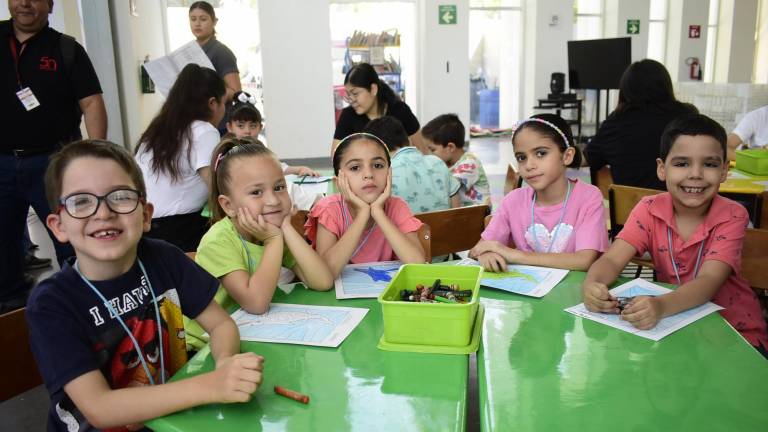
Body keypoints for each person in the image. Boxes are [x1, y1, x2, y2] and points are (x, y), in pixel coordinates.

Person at [27, 140, 264, 431]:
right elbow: (100, 408)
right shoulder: (51, 305)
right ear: (58, 226)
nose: (103, 213)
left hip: (174, 418)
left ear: (146, 215)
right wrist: (211, 385)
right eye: (81, 201)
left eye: (121, 197)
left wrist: (225, 361)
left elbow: (221, 325)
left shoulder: (163, 258)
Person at [582, 113, 768, 358]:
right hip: (676, 327)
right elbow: (612, 259)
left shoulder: (733, 215)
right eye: (682, 163)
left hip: (735, 333)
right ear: (662, 168)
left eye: (710, 164)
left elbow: (708, 281)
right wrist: (592, 285)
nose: (695, 174)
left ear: (724, 170)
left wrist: (660, 306)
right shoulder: (648, 209)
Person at [1, 0, 106, 313]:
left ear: (50, 5)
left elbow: (92, 104)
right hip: (2, 162)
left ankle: (82, 306)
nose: (25, 3)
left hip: (54, 163)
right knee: (3, 248)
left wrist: (93, 159)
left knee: (72, 238)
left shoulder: (65, 48)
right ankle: (12, 316)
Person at [185, 138, 334, 350]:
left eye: (279, 187)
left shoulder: (271, 229)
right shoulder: (218, 241)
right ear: (228, 205)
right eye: (256, 192)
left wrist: (287, 228)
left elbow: (322, 281)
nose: (273, 200)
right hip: (204, 348)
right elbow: (256, 303)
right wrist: (274, 240)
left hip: (253, 334)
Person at [470, 114, 608, 272]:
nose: (529, 165)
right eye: (521, 157)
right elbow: (478, 249)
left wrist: (513, 255)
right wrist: (485, 254)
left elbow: (584, 261)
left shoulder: (589, 197)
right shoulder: (513, 201)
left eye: (541, 153)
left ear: (567, 156)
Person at [306, 133, 425, 278]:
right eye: (355, 167)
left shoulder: (397, 206)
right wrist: (362, 214)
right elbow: (326, 273)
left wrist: (378, 213)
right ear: (338, 182)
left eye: (377, 165)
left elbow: (417, 264)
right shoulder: (329, 210)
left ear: (389, 173)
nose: (368, 174)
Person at [135, 63, 225, 252]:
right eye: (224, 103)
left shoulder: (156, 131)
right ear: (212, 103)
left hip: (142, 225)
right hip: (179, 231)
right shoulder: (203, 130)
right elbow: (216, 188)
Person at [586, 59, 697, 190]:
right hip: (679, 206)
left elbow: (589, 159)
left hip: (628, 208)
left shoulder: (616, 122)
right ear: (665, 85)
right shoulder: (686, 116)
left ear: (626, 89)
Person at [363, 116, 460, 213]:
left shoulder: (384, 174)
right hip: (444, 226)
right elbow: (457, 210)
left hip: (403, 228)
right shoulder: (437, 162)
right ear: (408, 140)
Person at [332, 63, 425, 155]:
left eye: (355, 94)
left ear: (373, 89)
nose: (351, 100)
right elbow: (335, 155)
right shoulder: (348, 116)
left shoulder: (400, 111)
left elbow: (421, 150)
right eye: (348, 94)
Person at [226, 90, 319, 177]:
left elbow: (279, 168)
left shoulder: (262, 152)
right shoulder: (225, 155)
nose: (247, 131)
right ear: (229, 127)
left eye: (253, 126)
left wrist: (301, 169)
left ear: (260, 128)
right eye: (240, 126)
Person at [422, 114, 491, 207]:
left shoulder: (469, 164)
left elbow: (443, 187)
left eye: (432, 149)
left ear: (450, 147)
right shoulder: (448, 162)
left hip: (476, 216)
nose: (429, 154)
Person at [189, 1, 239, 102]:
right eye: (193, 19)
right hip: (195, 114)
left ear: (214, 22)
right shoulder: (189, 51)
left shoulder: (221, 52)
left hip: (217, 115)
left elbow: (236, 92)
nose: (197, 24)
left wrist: (209, 90)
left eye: (203, 19)